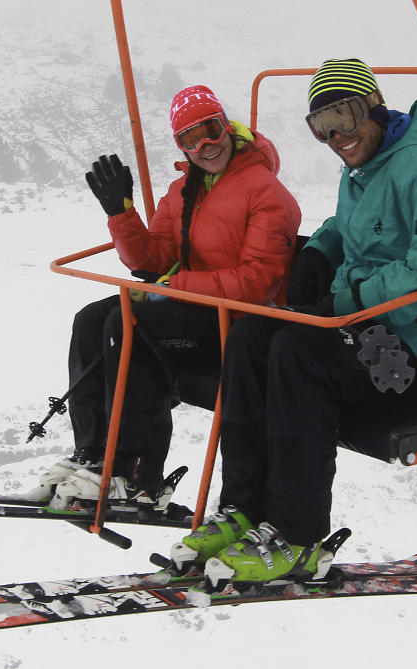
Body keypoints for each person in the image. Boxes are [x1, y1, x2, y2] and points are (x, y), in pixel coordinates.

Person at [170, 58, 417, 585]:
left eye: (342, 117)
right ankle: (245, 510)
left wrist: (352, 296)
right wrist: (320, 249)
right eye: (321, 128)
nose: (336, 137)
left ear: (373, 106)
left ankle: (297, 536)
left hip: (415, 359)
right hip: (372, 333)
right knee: (252, 333)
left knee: (299, 354)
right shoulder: (366, 167)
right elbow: (350, 224)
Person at [28, 85, 302, 511]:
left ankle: (135, 472)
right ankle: (94, 455)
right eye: (190, 139)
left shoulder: (265, 191)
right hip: (191, 308)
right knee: (90, 320)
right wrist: (121, 213)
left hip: (239, 322)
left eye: (211, 130)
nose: (205, 146)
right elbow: (151, 259)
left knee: (129, 324)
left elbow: (258, 283)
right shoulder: (183, 191)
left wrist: (177, 287)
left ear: (228, 127)